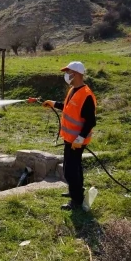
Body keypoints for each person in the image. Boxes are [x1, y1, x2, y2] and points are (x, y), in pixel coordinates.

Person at [42, 61, 97, 211]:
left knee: (70, 170)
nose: (67, 75)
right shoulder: (73, 90)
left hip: (77, 140)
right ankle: (76, 190)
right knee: (74, 166)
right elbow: (68, 108)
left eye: (69, 72)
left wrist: (79, 139)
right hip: (70, 138)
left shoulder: (86, 95)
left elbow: (91, 121)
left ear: (78, 74)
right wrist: (53, 103)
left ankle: (76, 200)